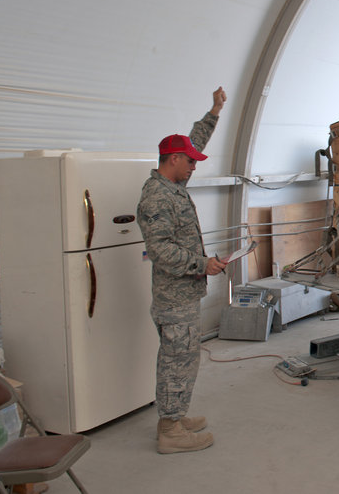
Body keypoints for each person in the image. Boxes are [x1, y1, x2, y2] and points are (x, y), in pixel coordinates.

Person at [137, 87, 228, 454]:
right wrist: (201, 264)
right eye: (190, 161)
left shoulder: (173, 182)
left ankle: (173, 416)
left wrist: (215, 111)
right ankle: (171, 431)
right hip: (174, 300)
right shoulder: (156, 196)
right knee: (177, 361)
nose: (195, 166)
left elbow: (193, 141)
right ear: (173, 160)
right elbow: (159, 251)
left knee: (185, 359)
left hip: (184, 296)